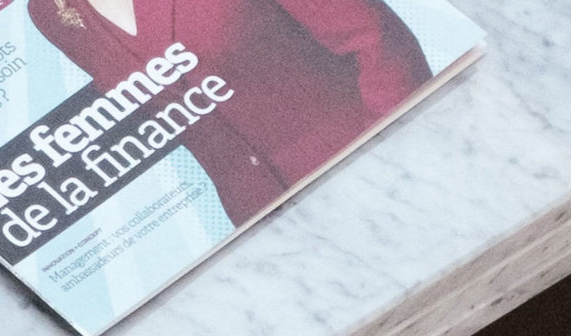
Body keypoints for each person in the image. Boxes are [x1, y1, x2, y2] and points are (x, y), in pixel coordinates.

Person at [29, 0, 433, 222]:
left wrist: (398, 159)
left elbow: (376, 39)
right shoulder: (51, 13)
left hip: (383, 172)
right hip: (265, 223)